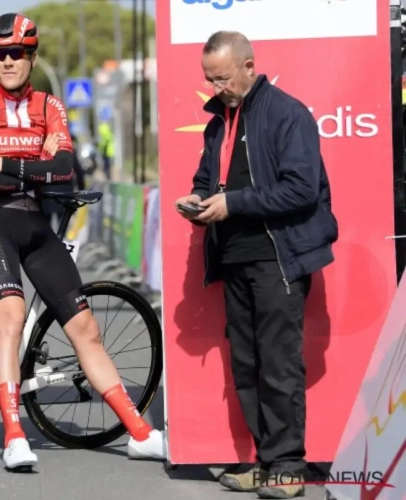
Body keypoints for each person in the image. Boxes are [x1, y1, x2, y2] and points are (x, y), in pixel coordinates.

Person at [0, 12, 165, 471]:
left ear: (31, 56)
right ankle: (14, 437)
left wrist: (6, 164)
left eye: (16, 54)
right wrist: (32, 164)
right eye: (0, 55)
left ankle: (140, 432)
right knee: (9, 316)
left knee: (86, 328)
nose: (8, 62)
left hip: (34, 224)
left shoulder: (50, 106)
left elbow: (64, 169)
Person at [174, 31, 337, 499]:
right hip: (234, 257)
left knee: (279, 365)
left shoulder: (288, 114)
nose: (215, 87)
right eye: (209, 79)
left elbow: (302, 189)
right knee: (246, 365)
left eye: (222, 77)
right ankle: (265, 464)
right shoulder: (216, 124)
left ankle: (287, 468)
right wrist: (199, 198)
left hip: (278, 257)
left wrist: (232, 204)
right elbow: (209, 179)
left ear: (249, 66)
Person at [40, 133, 86, 230]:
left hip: (46, 194)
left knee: (45, 226)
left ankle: (49, 243)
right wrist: (82, 190)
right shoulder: (68, 153)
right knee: (63, 225)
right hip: (64, 194)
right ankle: (60, 242)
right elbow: (79, 172)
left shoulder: (44, 153)